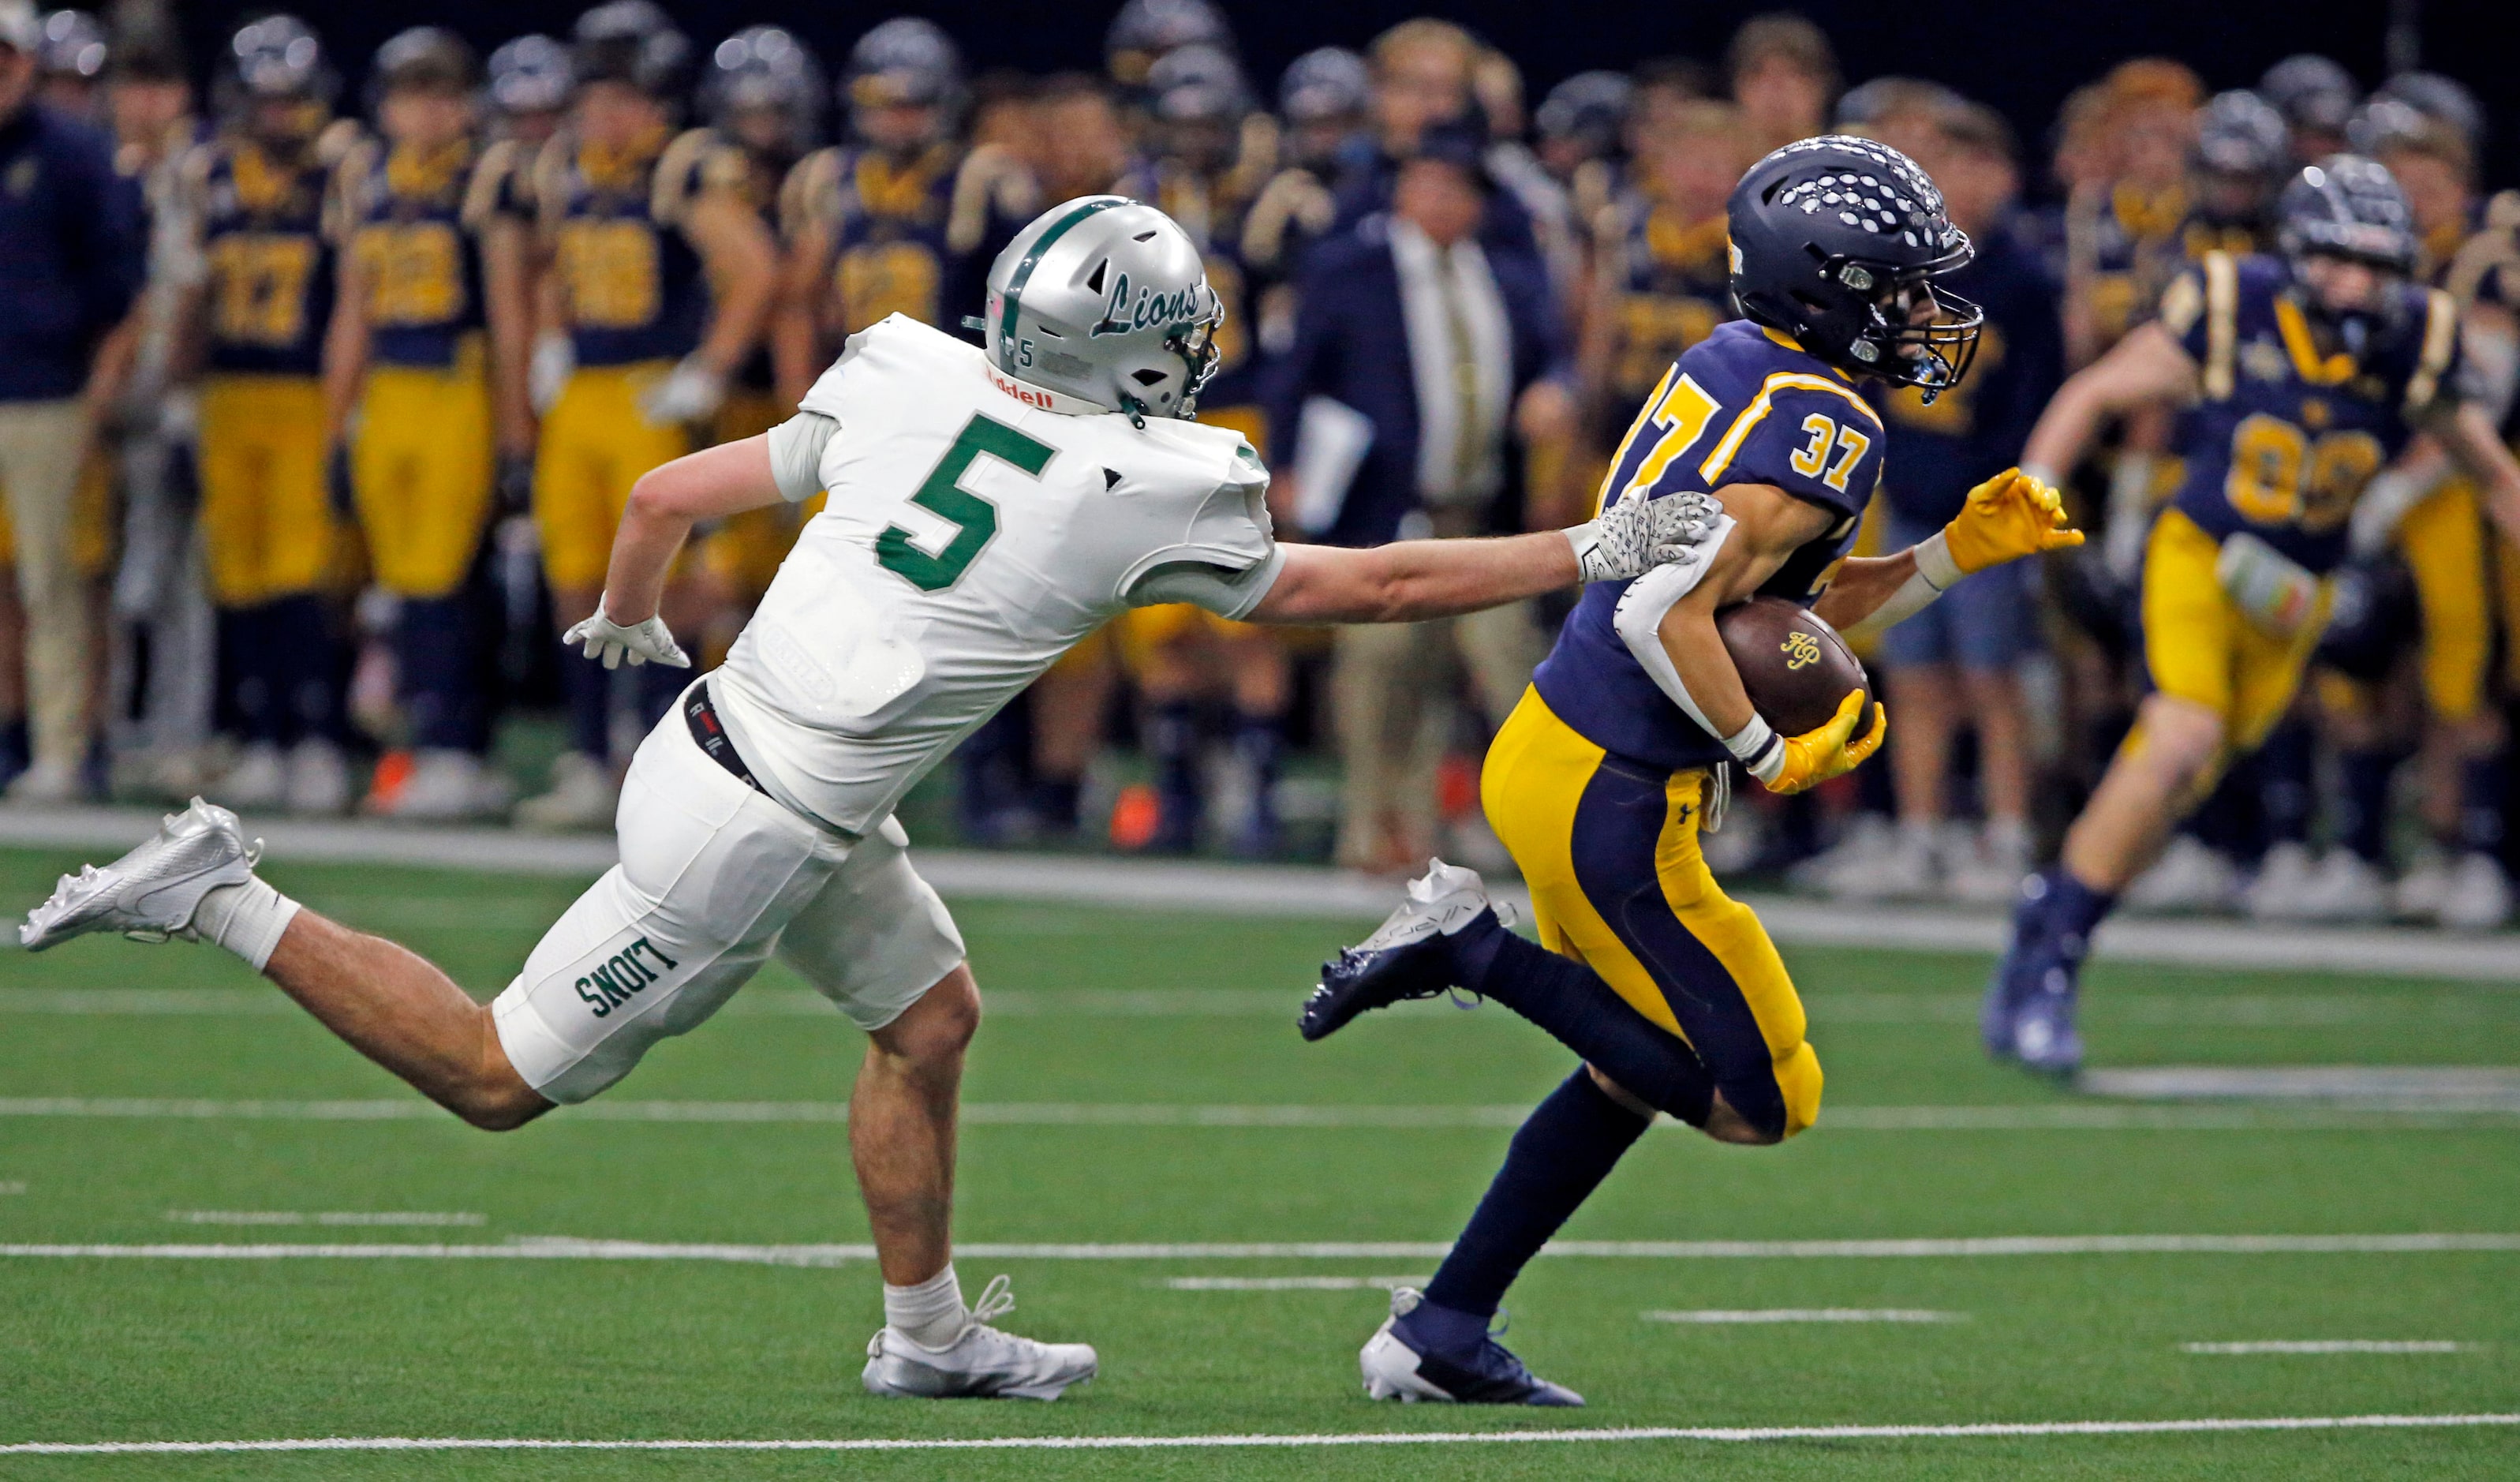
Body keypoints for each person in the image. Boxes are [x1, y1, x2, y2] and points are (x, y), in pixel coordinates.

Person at [21, 193, 1711, 1400]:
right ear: (1119, 349)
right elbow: (1381, 590)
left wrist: (623, 608)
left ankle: (925, 1338)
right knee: (493, 1077)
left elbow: (673, 487)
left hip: (740, 741)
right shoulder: (1142, 480)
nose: (1195, 351)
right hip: (750, 824)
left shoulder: (907, 380)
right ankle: (218, 893)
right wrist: (1588, 546)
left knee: (930, 1021)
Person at [1296, 135, 2077, 1405]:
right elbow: (1664, 614)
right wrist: (1775, 755)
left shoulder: (1741, 367)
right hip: (1616, 792)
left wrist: (1951, 555)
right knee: (1760, 1098)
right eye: (1903, 287)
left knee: (1628, 1063)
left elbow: (1780, 615)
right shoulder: (1827, 422)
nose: (1929, 315)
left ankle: (1441, 1326)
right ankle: (1466, 947)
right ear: (1831, 289)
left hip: (1562, 752)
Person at [1983, 157, 2520, 1074]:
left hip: (2291, 600)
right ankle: (2045, 967)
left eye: (2378, 264)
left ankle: (2047, 915)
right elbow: (2094, 392)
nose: (2360, 284)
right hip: (2197, 555)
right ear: (2298, 253)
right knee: (2178, 736)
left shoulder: (2413, 339)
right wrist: (2029, 494)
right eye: (2341, 260)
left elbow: (2490, 475)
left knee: (2168, 788)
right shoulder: (2233, 301)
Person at [1262, 119, 1574, 871]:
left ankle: (1542, 835)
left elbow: (1551, 357)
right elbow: (1294, 373)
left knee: (1518, 680)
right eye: (1428, 182)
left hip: (1481, 518)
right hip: (1385, 515)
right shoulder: (1350, 268)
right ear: (1402, 190)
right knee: (1382, 676)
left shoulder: (1505, 273)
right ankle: (1376, 832)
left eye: (1457, 188)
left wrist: (1554, 390)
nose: (1440, 199)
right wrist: (1285, 466)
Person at [517, 0, 777, 830]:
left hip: (647, 393)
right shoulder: (566, 166)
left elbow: (755, 271)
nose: (608, 112)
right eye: (596, 94)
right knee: (572, 579)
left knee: (665, 585)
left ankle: (665, 762)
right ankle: (589, 758)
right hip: (582, 397)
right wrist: (551, 336)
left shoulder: (681, 168)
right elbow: (549, 264)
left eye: (624, 95)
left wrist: (707, 371)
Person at [1841, 104, 2065, 903]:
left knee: (1989, 676)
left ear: (2002, 176)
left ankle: (2004, 835)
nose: (1955, 185)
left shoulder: (2022, 279)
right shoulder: (1904, 269)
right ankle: (1920, 832)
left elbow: (2039, 402)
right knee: (1912, 679)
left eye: (1972, 167)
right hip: (1908, 500)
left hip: (1982, 510)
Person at [323, 28, 510, 821]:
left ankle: (455, 747)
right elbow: (352, 311)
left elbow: (507, 310)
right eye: (411, 93)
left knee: (441, 577)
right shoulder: (365, 175)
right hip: (391, 387)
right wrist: (336, 424)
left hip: (456, 378)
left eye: (441, 93)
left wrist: (516, 426)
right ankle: (416, 748)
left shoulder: (486, 174)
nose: (427, 111)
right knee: (400, 585)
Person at [179, 15, 357, 816]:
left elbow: (353, 294)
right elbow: (188, 290)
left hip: (301, 392)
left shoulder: (337, 175)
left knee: (299, 569)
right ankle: (257, 735)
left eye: (291, 101)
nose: (279, 115)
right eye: (266, 101)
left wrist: (344, 402)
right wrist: (182, 387)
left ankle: (312, 736)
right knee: (238, 569)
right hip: (228, 393)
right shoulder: (207, 173)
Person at [0, 0, 143, 803]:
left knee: (55, 581)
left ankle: (65, 746)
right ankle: (12, 736)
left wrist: (99, 401)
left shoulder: (74, 154)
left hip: (52, 396)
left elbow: (123, 295)